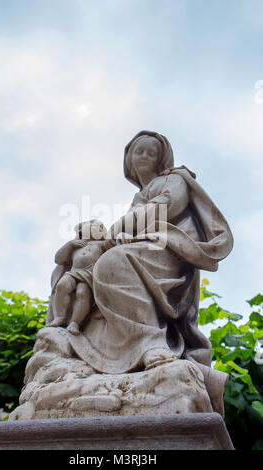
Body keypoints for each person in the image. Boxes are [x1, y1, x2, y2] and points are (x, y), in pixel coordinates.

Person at [47, 130, 234, 415]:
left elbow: (166, 208)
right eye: (139, 152)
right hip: (145, 248)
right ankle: (82, 344)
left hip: (168, 251)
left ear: (161, 158)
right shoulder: (139, 195)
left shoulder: (174, 179)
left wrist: (121, 227)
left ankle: (152, 345)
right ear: (129, 162)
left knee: (113, 263)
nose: (145, 156)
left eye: (151, 152)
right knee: (86, 268)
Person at [46, 220, 112, 334]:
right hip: (74, 272)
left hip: (89, 274)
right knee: (62, 286)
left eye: (101, 229)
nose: (98, 230)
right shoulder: (76, 245)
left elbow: (114, 244)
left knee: (82, 293)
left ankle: (75, 322)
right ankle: (60, 317)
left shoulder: (102, 244)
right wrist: (70, 244)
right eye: (94, 227)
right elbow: (58, 259)